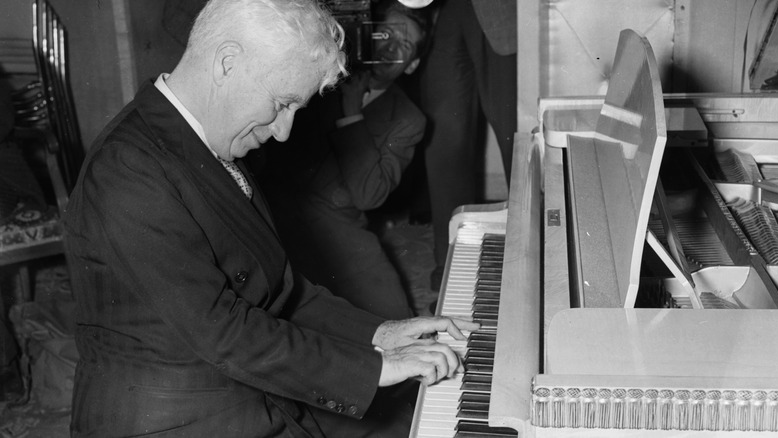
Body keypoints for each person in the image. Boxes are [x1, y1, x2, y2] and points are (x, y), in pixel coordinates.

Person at [62, 0, 477, 436]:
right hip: (170, 418)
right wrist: (375, 367)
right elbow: (224, 332)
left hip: (236, 387)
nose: (283, 130)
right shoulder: (129, 170)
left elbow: (282, 292)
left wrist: (382, 333)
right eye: (282, 103)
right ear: (227, 62)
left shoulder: (206, 140)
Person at [256, 1, 430, 321]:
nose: (390, 48)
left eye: (404, 44)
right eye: (384, 34)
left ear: (412, 64)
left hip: (335, 222)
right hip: (274, 204)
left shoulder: (408, 119)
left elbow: (369, 195)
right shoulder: (321, 75)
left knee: (393, 317)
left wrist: (352, 115)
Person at [418, 0, 517, 291]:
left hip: (502, 12)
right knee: (443, 142)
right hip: (434, 12)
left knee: (517, 141)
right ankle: (454, 270)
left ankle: (530, 271)